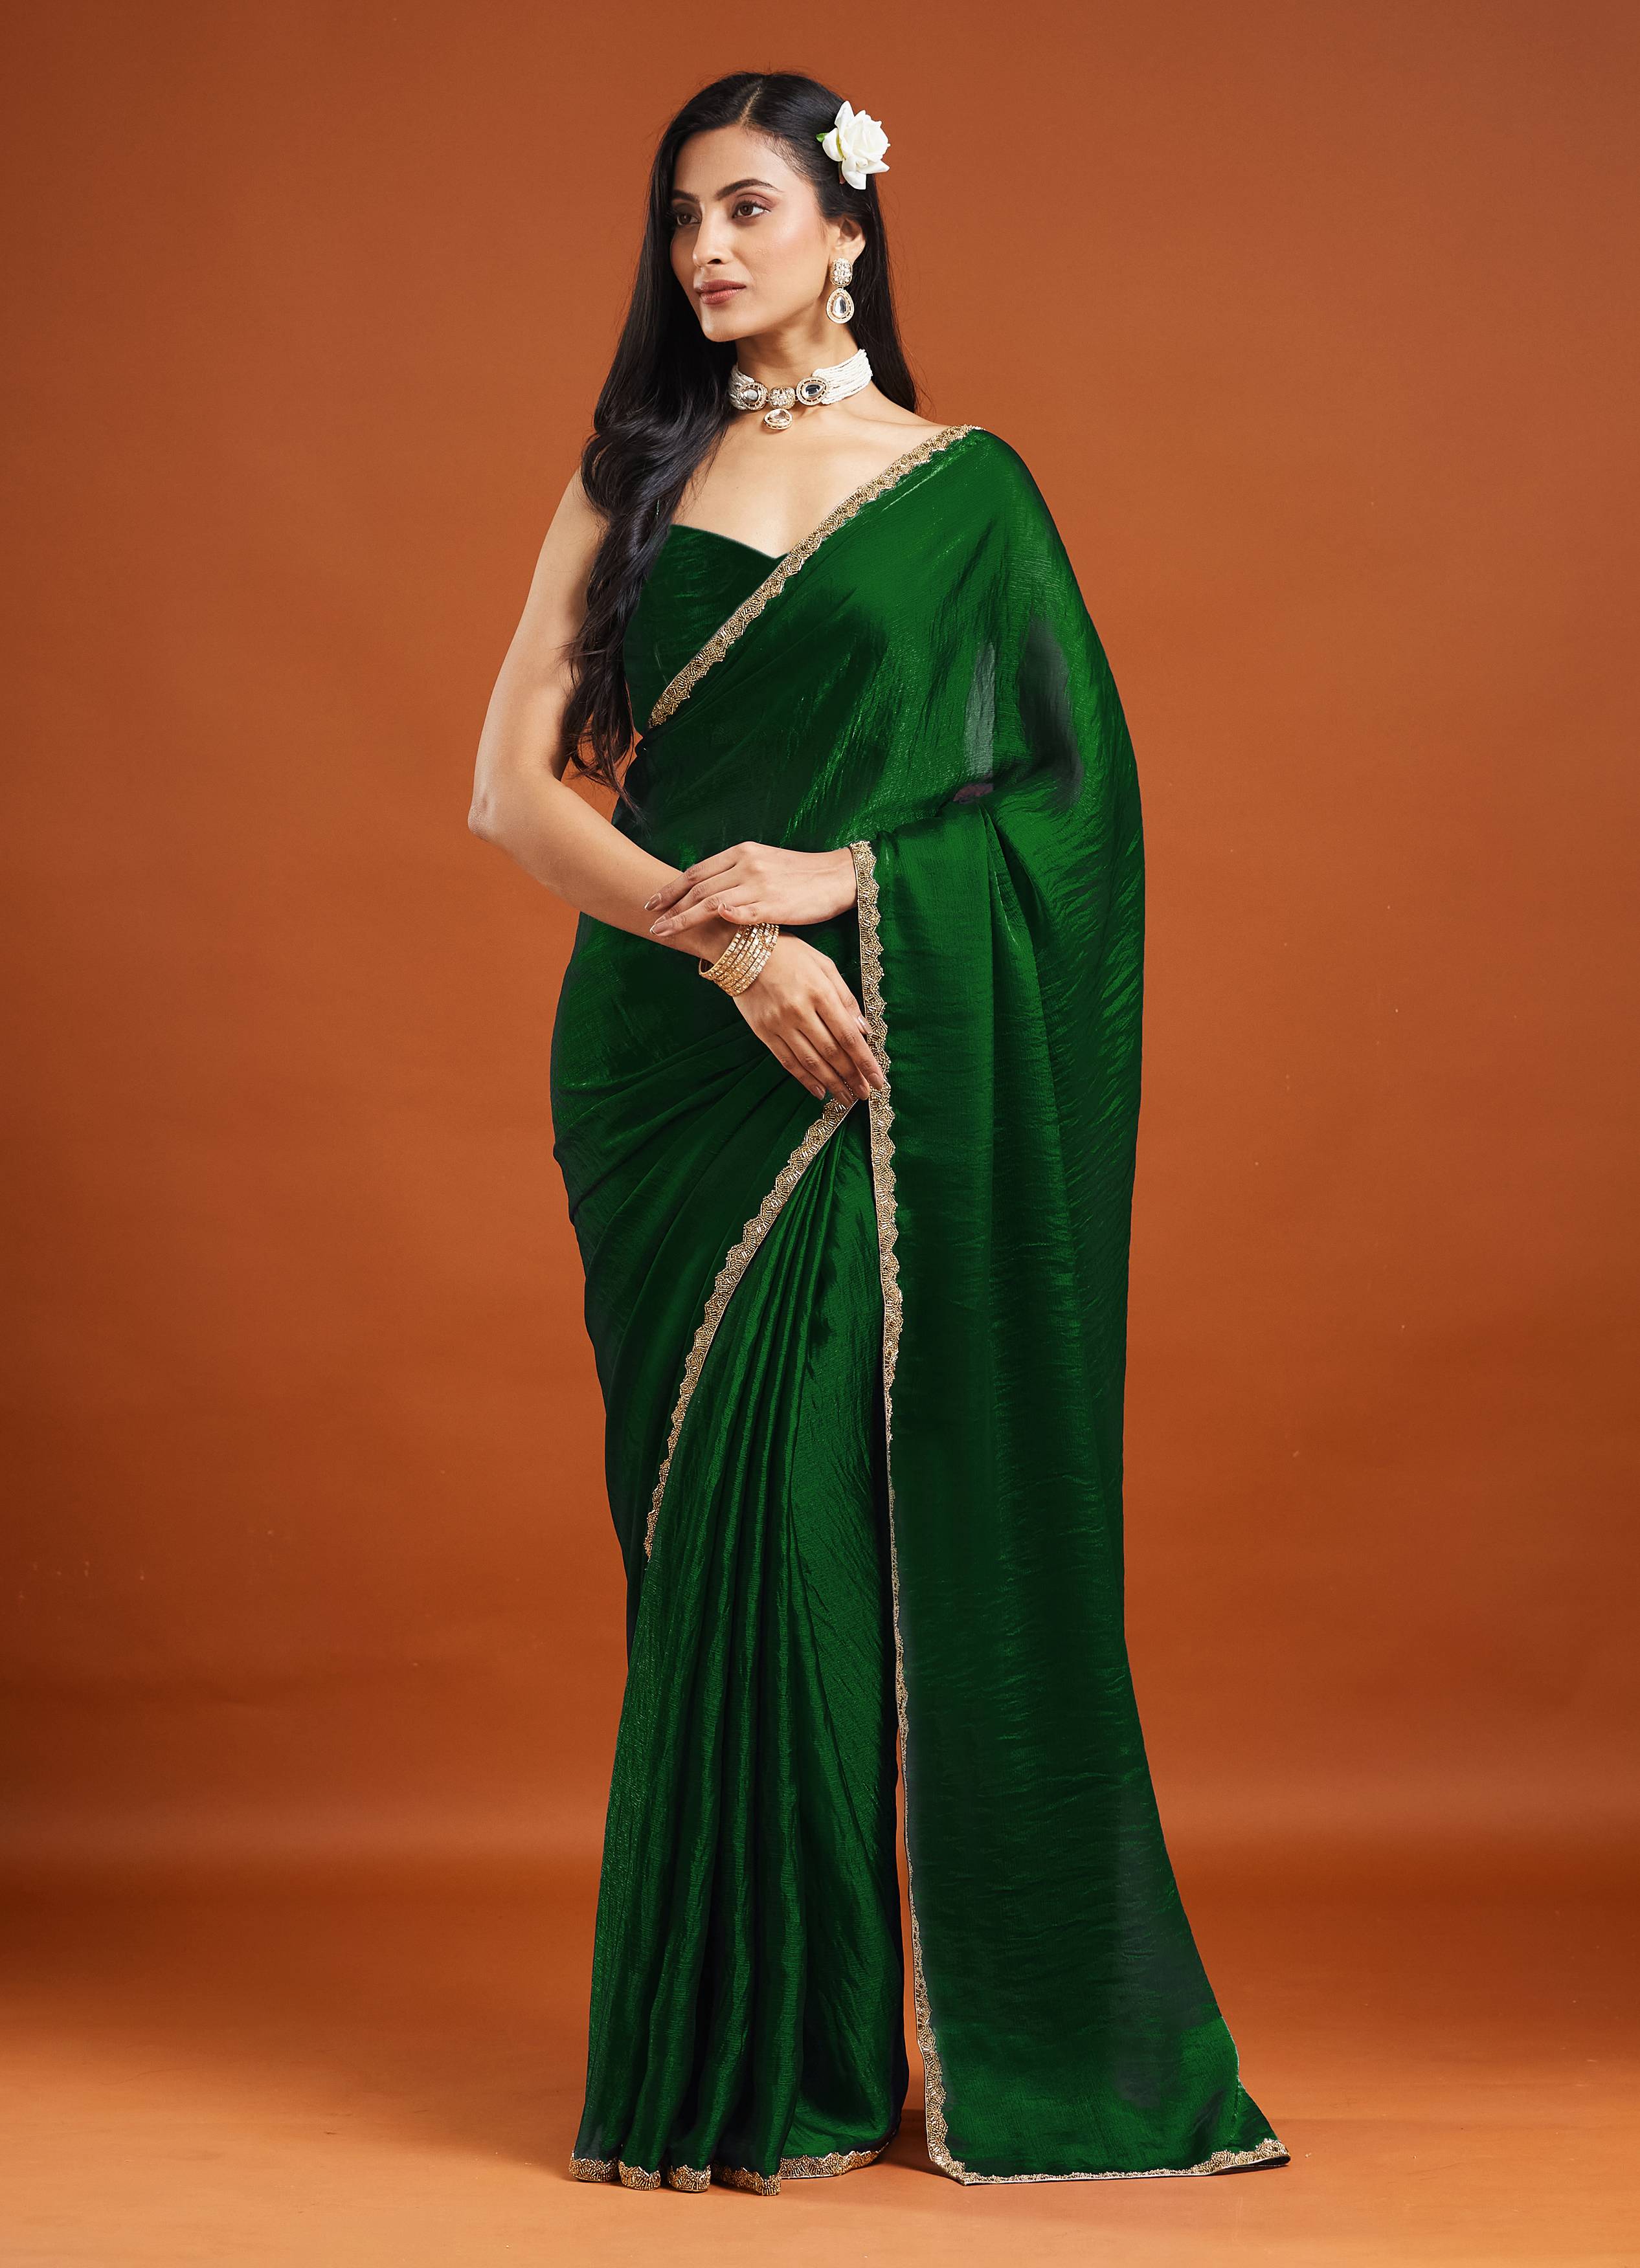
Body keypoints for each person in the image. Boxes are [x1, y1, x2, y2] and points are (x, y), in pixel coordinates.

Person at [468, 67, 1286, 2196]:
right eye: (682, 219)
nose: (706, 251)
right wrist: (731, 944)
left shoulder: (966, 493)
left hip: (866, 1064)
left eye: (749, 207)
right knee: (707, 1552)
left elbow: (1075, 820)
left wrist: (850, 881)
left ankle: (835, 2042)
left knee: (818, 1529)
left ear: (848, 229)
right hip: (668, 1065)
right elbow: (511, 789)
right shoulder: (633, 472)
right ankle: (755, 2047)